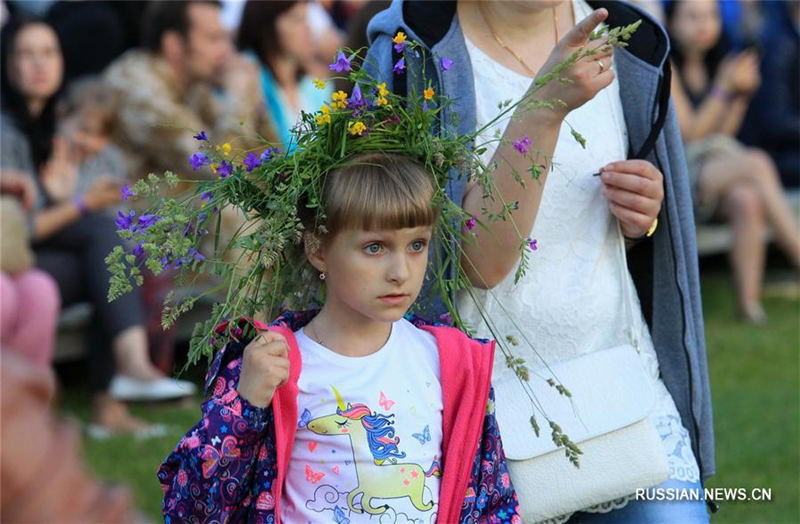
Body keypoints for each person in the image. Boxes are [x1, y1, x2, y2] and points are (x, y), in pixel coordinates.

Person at [366, 0, 714, 521]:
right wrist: (546, 105)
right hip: (477, 425)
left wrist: (643, 220)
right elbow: (473, 264)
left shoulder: (630, 39)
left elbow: (628, 241)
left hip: (625, 395)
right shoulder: (411, 48)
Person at [158, 153, 520, 522]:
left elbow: (491, 501)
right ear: (317, 250)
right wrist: (244, 406)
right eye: (374, 247)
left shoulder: (450, 363)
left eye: (417, 245)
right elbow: (192, 508)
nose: (401, 272)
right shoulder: (275, 364)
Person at [0, 16, 196, 437]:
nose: (39, 64)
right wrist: (79, 203)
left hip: (47, 263)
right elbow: (18, 232)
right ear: (7, 63)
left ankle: (115, 398)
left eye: (48, 53)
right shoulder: (5, 131)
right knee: (106, 242)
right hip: (13, 261)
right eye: (26, 53)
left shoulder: (62, 130)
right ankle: (124, 377)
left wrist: (67, 198)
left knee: (108, 255)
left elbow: (60, 220)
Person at [667, 0, 800, 324]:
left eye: (710, 16)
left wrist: (740, 97)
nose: (704, 26)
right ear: (671, 21)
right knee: (756, 162)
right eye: (693, 17)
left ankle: (749, 306)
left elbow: (722, 135)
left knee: (747, 199)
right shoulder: (664, 65)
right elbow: (692, 134)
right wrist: (726, 87)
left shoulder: (720, 61)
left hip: (712, 170)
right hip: (678, 175)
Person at [104, 0, 277, 184]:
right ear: (174, 45)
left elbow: (268, 161)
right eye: (213, 39)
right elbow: (219, 168)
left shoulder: (194, 85)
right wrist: (239, 96)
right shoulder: (137, 87)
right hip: (133, 207)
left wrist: (257, 106)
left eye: (226, 38)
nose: (228, 51)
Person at [238, 0, 332, 148]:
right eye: (297, 20)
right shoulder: (248, 81)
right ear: (268, 25)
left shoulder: (314, 87)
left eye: (307, 19)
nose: (308, 28)